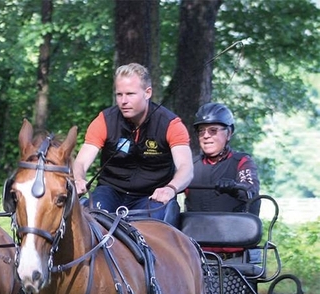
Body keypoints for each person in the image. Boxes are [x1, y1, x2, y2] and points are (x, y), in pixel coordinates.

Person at [73, 63, 193, 221]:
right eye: (119, 94)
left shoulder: (171, 124)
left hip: (151, 196)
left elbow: (186, 168)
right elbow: (81, 162)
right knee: (92, 221)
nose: (123, 101)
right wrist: (78, 178)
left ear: (147, 92)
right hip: (110, 191)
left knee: (154, 230)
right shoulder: (104, 121)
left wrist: (170, 189)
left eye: (130, 94)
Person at [186, 102, 260, 215]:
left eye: (213, 130)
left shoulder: (242, 161)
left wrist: (234, 187)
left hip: (233, 229)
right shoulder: (190, 166)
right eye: (201, 131)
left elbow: (250, 189)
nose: (205, 136)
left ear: (229, 133)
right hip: (194, 229)